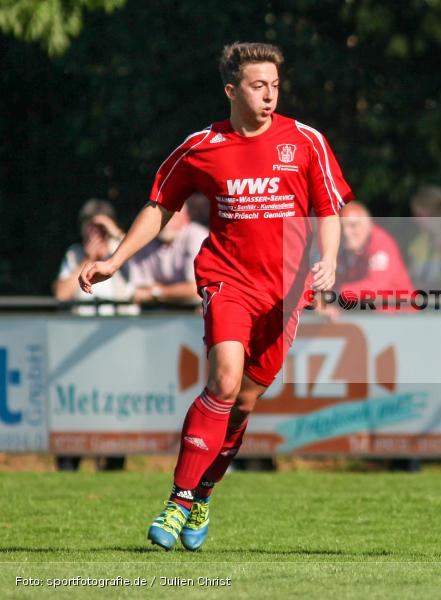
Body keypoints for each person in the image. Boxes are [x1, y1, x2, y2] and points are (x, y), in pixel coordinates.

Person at [79, 42, 352, 551]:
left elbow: (328, 209)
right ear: (232, 90)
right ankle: (180, 499)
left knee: (243, 402)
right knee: (224, 379)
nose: (269, 94)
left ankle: (204, 491)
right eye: (257, 85)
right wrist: (116, 260)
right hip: (227, 279)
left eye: (274, 85)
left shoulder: (306, 141)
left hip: (284, 295)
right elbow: (160, 205)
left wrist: (330, 260)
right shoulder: (202, 146)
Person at [54, 199, 133, 315]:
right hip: (83, 326)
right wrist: (87, 259)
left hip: (119, 323)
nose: (95, 232)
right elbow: (61, 294)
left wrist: (116, 232)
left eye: (101, 227)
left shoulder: (120, 248)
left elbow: (142, 254)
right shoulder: (74, 254)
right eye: (90, 226)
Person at [129, 193, 209, 306]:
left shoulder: (197, 236)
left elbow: (195, 290)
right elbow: (138, 291)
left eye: (170, 217)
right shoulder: (144, 239)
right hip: (154, 313)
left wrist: (155, 292)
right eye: (160, 217)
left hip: (194, 313)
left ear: (186, 219)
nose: (165, 222)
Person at [335, 202, 414, 310]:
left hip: (400, 316)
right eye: (342, 227)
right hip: (369, 316)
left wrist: (336, 293)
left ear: (368, 224)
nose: (346, 232)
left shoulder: (381, 244)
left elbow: (375, 288)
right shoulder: (344, 250)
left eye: (353, 225)